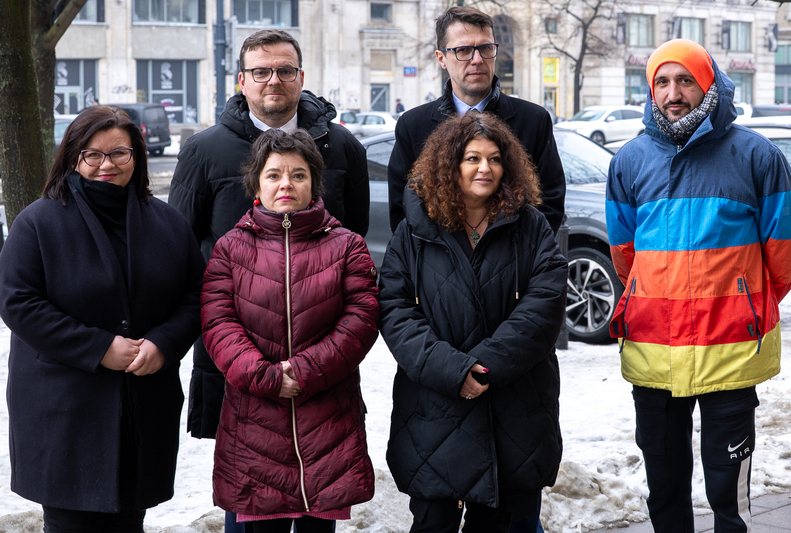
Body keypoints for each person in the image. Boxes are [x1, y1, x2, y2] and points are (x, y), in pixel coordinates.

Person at [606, 39, 791, 532]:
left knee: (727, 489)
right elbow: (625, 257)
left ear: (709, 82)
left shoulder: (757, 156)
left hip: (732, 350)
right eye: (663, 82)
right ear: (651, 91)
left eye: (686, 80)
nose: (674, 92)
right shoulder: (628, 162)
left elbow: (785, 254)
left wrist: (745, 305)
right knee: (664, 482)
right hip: (652, 347)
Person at [0, 106, 204, 533]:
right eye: (93, 155)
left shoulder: (167, 222)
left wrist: (163, 343)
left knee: (130, 518)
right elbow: (19, 303)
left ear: (137, 156)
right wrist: (98, 348)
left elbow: (194, 296)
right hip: (65, 407)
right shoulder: (37, 222)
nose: (106, 165)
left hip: (142, 404)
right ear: (72, 156)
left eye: (119, 153)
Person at [169, 29, 370, 451]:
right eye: (260, 72)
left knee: (324, 478)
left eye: (284, 70)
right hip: (235, 347)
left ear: (301, 76)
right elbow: (182, 246)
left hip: (322, 351)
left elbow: (357, 230)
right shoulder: (203, 150)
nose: (273, 81)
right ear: (241, 80)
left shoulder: (343, 146)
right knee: (244, 481)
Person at [379, 112, 567, 532]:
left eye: (495, 158)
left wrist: (485, 367)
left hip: (514, 407)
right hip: (434, 408)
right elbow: (394, 309)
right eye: (472, 158)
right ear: (449, 164)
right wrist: (453, 370)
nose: (485, 168)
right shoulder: (413, 231)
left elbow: (545, 304)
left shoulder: (530, 226)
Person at [200, 129, 379, 533]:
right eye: (274, 174)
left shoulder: (347, 245)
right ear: (257, 184)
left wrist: (303, 372)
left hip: (327, 421)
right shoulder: (230, 248)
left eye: (298, 175)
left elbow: (361, 318)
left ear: (315, 183)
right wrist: (265, 377)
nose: (286, 184)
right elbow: (217, 322)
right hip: (255, 423)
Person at [387, 6, 565, 236]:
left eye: (485, 48)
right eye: (463, 50)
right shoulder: (413, 126)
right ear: (441, 58)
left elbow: (551, 202)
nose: (477, 59)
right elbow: (401, 211)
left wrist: (519, 259)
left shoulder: (533, 120)